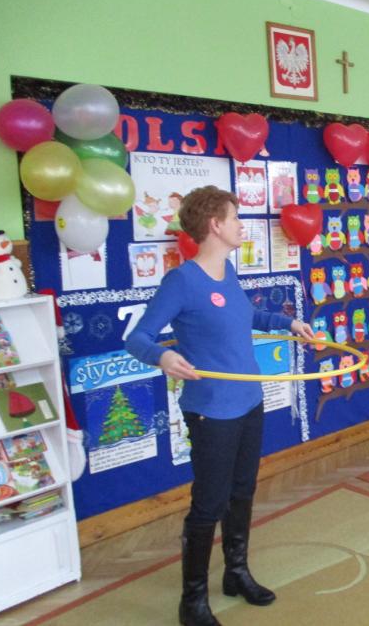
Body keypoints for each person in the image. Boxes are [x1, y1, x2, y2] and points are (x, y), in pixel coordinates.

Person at [125, 186, 315, 626]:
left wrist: (288, 322)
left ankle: (236, 572)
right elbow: (138, 338)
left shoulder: (227, 271)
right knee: (209, 503)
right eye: (235, 218)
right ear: (215, 225)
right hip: (211, 410)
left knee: (242, 492)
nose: (240, 226)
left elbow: (246, 317)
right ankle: (192, 601)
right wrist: (162, 357)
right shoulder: (182, 281)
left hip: (248, 401)